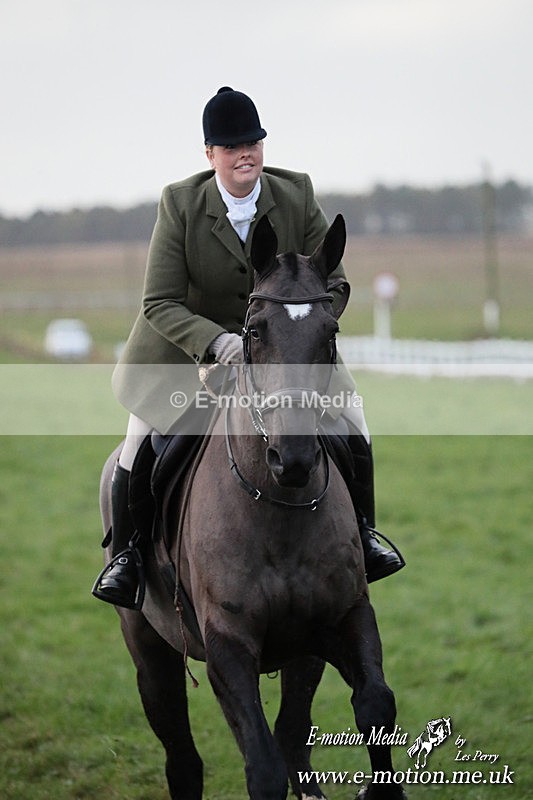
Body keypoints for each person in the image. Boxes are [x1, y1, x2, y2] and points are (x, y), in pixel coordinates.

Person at [92, 87, 404, 610]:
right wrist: (217, 342)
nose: (246, 153)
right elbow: (159, 302)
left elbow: (337, 282)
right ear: (209, 154)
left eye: (253, 142)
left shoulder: (296, 193)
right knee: (139, 437)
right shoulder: (180, 203)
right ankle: (126, 557)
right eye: (232, 145)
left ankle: (367, 537)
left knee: (354, 417)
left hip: (284, 349)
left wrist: (298, 331)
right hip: (184, 351)